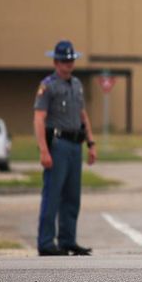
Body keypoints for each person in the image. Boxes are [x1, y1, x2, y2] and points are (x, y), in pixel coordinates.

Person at [34, 40, 97, 256]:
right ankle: (45, 242)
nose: (68, 64)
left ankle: (68, 240)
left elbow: (82, 114)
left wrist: (91, 142)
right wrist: (43, 149)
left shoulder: (77, 84)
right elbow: (39, 118)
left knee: (72, 195)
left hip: (74, 144)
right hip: (57, 144)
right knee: (52, 193)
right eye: (64, 60)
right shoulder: (48, 85)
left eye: (71, 60)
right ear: (55, 61)